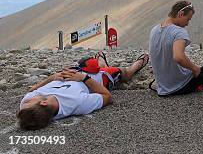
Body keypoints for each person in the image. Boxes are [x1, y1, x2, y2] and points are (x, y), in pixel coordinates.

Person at [17, 53, 149, 130]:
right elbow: (107, 97)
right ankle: (134, 66)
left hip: (77, 69)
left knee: (87, 61)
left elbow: (34, 89)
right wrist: (84, 78)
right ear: (44, 103)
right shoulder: (77, 102)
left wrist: (52, 77)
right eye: (29, 102)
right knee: (120, 73)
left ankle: (100, 62)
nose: (26, 100)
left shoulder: (28, 105)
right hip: (96, 78)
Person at [149, 0, 203, 96]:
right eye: (188, 19)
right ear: (180, 14)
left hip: (162, 87)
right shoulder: (179, 32)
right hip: (180, 86)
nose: (187, 24)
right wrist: (195, 69)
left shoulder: (154, 30)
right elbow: (178, 57)